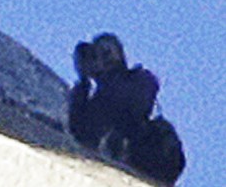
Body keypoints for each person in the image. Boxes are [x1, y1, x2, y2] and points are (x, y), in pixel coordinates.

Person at [68, 33, 184, 184]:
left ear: (120, 54)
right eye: (99, 56)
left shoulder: (140, 78)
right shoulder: (95, 100)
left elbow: (131, 104)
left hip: (149, 154)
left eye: (108, 52)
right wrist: (83, 81)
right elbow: (81, 133)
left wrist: (104, 78)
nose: (105, 59)